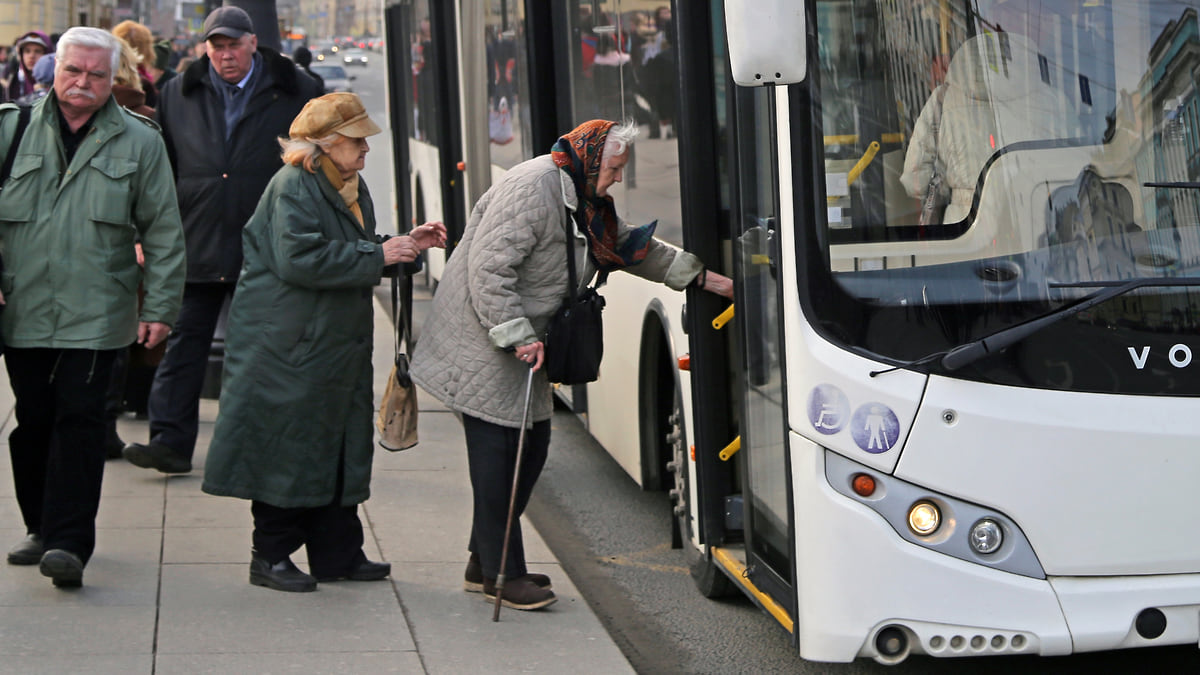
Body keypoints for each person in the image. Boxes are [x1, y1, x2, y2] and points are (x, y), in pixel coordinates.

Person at [410, 119, 732, 610]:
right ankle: (502, 573)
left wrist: (700, 277)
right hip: (482, 343)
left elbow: (625, 245)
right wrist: (517, 335)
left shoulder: (581, 194)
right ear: (592, 158)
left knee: (530, 448)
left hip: (520, 342)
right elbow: (489, 269)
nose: (620, 179)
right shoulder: (532, 188)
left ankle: (484, 562)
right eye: (617, 169)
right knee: (502, 461)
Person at [201, 93, 446, 592]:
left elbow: (347, 250)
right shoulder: (293, 185)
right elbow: (300, 259)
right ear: (326, 144)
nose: (365, 149)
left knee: (337, 443)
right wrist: (377, 254)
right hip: (289, 345)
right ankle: (269, 556)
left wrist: (401, 247)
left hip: (327, 342)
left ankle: (338, 553)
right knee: (287, 449)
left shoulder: (345, 184)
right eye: (356, 141)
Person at [0, 26, 186, 588]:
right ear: (54, 71)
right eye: (73, 72)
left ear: (115, 79)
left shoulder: (141, 141)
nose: (82, 84)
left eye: (96, 75)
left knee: (81, 422)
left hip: (100, 309)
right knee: (32, 422)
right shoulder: (9, 129)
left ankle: (69, 543)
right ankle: (40, 525)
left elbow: (163, 232)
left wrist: (160, 308)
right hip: (23, 304)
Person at [123, 6, 321, 475]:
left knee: (268, 350)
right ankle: (169, 443)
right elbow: (161, 168)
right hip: (199, 236)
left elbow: (322, 166)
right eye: (217, 45)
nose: (225, 54)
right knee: (183, 344)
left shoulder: (298, 90)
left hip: (269, 240)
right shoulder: (178, 93)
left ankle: (271, 446)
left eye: (234, 44)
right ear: (205, 47)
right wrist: (145, 233)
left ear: (253, 43)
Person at [3, 31, 52, 102]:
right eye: (27, 51)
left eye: (38, 51)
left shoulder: (56, 84)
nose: (31, 56)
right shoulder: (13, 83)